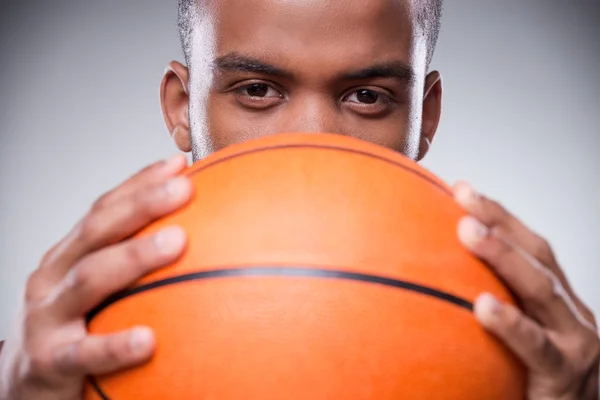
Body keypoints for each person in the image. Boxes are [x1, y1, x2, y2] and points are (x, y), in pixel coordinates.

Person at [0, 0, 598, 399]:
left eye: (367, 96)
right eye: (257, 90)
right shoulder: (52, 367)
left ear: (424, 117)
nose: (311, 140)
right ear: (183, 108)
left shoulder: (521, 360)